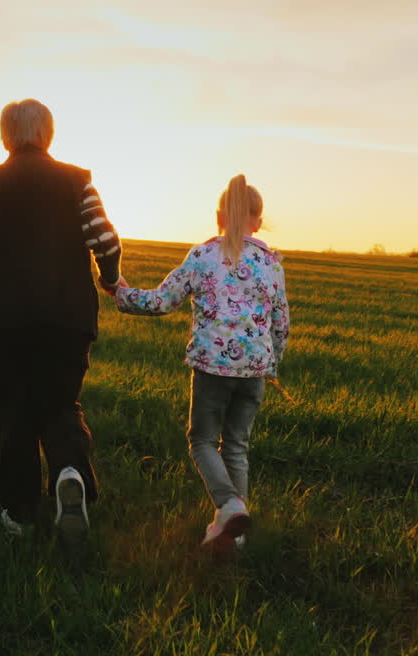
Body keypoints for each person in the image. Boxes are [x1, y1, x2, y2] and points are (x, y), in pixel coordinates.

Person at [0, 98, 123, 541]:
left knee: (11, 410)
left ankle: (19, 510)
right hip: (66, 316)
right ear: (48, 134)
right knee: (60, 401)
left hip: (1, 318)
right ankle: (70, 471)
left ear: (4, 137)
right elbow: (105, 239)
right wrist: (110, 278)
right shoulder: (77, 182)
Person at [113, 174, 289, 552]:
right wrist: (271, 364)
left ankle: (229, 506)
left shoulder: (203, 256)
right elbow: (281, 323)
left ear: (219, 217)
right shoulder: (272, 265)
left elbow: (161, 301)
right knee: (237, 446)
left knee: (202, 440)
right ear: (257, 221)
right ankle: (235, 538)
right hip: (254, 372)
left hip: (212, 368)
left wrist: (121, 293)